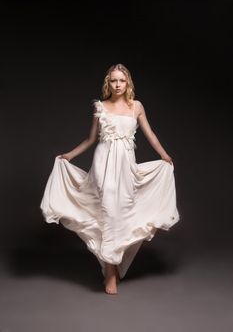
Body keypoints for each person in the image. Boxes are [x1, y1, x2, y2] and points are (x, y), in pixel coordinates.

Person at [40, 63, 180, 295]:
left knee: (121, 211)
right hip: (103, 164)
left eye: (121, 81)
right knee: (107, 211)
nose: (117, 85)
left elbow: (151, 133)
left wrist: (164, 155)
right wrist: (69, 155)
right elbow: (90, 139)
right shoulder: (100, 107)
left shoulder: (136, 106)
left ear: (128, 83)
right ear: (108, 83)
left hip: (126, 167)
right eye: (113, 80)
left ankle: (111, 265)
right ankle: (110, 273)